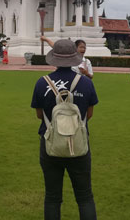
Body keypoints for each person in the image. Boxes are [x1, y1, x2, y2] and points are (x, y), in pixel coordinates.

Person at [31, 39, 98, 220]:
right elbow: (89, 114)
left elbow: (39, 115)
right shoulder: (85, 83)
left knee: (52, 197)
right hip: (79, 144)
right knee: (85, 197)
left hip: (50, 143)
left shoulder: (41, 83)